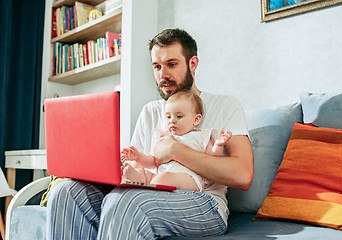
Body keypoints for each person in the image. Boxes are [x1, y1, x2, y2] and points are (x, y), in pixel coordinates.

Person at [47, 28, 254, 239]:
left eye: (171, 64)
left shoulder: (225, 105)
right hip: (152, 191)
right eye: (157, 66)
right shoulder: (151, 110)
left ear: (193, 64)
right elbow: (138, 170)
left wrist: (176, 149)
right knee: (65, 193)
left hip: (205, 203)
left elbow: (243, 175)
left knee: (126, 203)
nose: (163, 75)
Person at [121, 90, 233, 192]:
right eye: (168, 117)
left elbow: (212, 159)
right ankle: (139, 179)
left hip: (190, 179)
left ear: (196, 119)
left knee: (162, 178)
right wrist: (138, 157)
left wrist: (218, 145)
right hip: (162, 177)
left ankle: (148, 189)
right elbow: (154, 161)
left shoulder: (200, 136)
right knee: (145, 173)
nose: (172, 121)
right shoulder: (164, 138)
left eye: (179, 116)